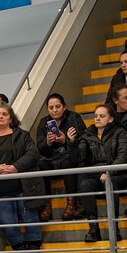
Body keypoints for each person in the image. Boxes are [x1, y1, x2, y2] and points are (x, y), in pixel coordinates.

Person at [0, 103, 43, 253]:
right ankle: (20, 252)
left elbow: (33, 153)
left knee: (30, 218)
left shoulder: (22, 135)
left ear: (11, 118)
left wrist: (16, 167)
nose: (0, 116)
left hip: (24, 187)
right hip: (0, 190)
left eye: (4, 114)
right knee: (6, 221)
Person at [69, 105, 127, 243]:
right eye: (96, 116)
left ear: (110, 119)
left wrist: (109, 172)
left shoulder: (119, 132)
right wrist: (72, 143)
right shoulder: (88, 134)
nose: (97, 119)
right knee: (85, 185)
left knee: (110, 182)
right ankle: (93, 229)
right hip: (96, 175)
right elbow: (78, 158)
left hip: (117, 174)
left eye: (102, 116)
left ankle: (114, 228)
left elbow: (123, 156)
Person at [35, 93, 87, 221]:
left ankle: (71, 203)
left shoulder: (74, 118)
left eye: (57, 106)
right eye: (51, 107)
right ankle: (46, 205)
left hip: (69, 156)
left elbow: (84, 140)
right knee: (40, 165)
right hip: (50, 159)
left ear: (63, 107)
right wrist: (48, 142)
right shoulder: (43, 122)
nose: (54, 110)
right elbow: (40, 150)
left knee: (67, 164)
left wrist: (65, 141)